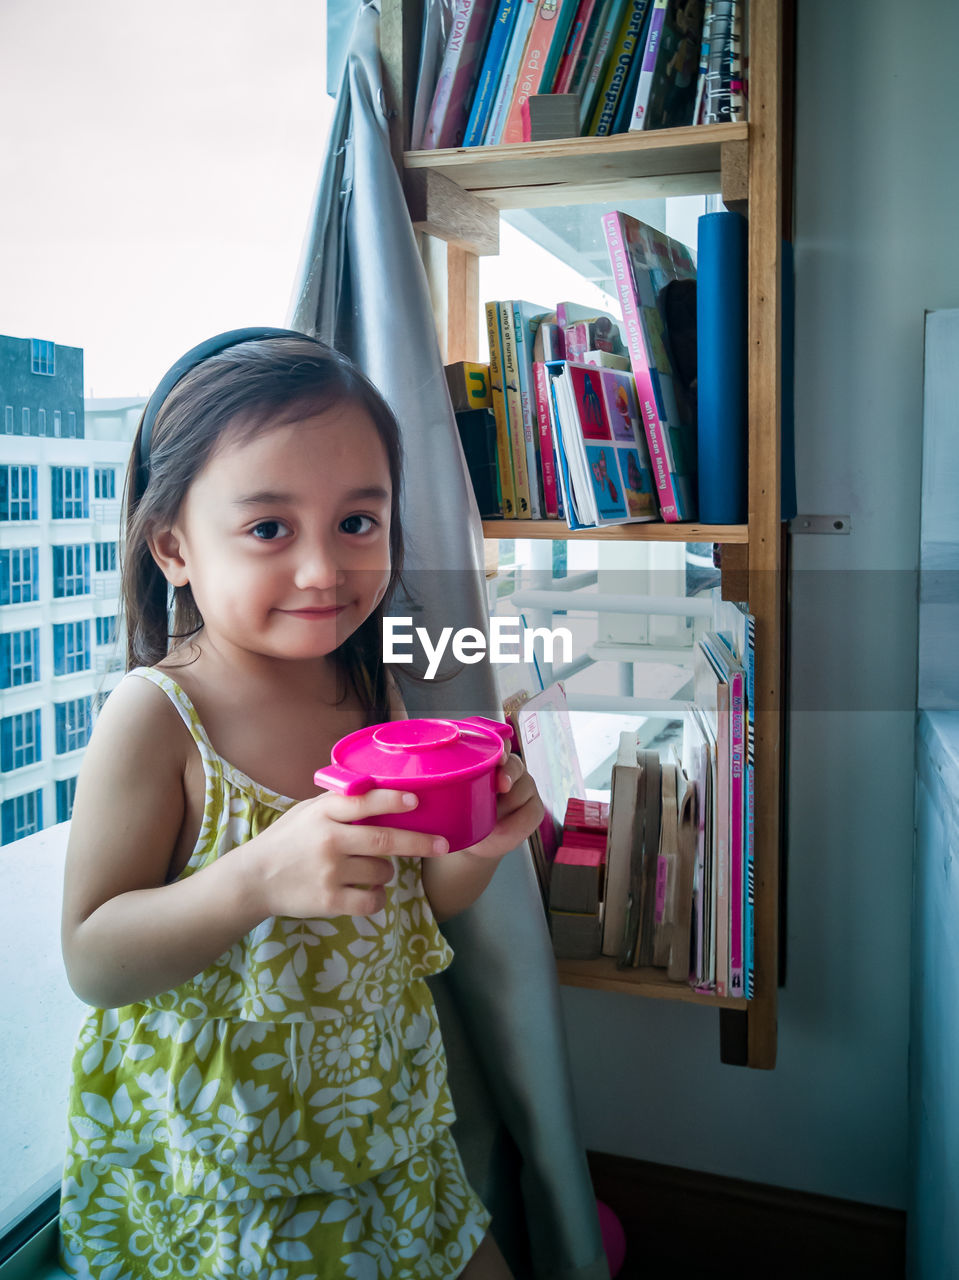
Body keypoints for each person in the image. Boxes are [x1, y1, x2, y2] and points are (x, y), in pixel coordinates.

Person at [58, 329, 544, 1280]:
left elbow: (418, 904)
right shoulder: (158, 716)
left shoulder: (369, 695)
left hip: (384, 1124)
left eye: (358, 522)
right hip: (228, 1173)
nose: (324, 569)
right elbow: (94, 959)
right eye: (270, 529)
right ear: (173, 546)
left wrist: (482, 835)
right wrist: (254, 877)